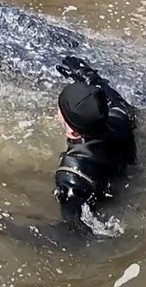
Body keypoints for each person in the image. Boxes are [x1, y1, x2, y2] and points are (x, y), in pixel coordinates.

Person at [54, 55, 136, 233]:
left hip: (102, 205)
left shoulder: (71, 174)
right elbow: (116, 101)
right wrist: (88, 76)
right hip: (123, 176)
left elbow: (75, 231)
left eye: (61, 109)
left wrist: (11, 229)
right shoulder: (118, 120)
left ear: (73, 131)